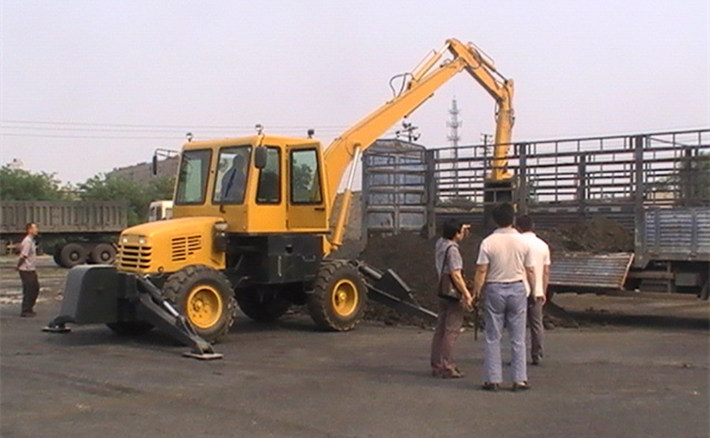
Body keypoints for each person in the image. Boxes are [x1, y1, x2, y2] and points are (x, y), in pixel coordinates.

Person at [471, 203, 535, 391]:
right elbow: (530, 269)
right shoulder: (523, 242)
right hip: (517, 288)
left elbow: (482, 270)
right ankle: (519, 379)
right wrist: (534, 290)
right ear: (513, 219)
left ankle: (493, 379)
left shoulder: (488, 242)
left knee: (492, 336)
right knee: (518, 337)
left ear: (494, 220)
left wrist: (476, 291)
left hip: (494, 288)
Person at [430, 219, 474, 379]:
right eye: (461, 231)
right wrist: (466, 294)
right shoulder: (453, 250)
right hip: (452, 293)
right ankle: (447, 366)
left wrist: (461, 228)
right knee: (451, 330)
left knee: (440, 330)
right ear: (456, 234)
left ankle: (436, 364)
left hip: (442, 289)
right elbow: (456, 274)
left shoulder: (440, 243)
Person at [517, 214, 551, 366]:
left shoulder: (517, 243)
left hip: (518, 289)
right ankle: (537, 355)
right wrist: (542, 291)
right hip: (537, 291)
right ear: (533, 226)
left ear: (518, 227)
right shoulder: (543, 245)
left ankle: (519, 356)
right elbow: (545, 271)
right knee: (537, 325)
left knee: (517, 325)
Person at [16, 222, 40, 317]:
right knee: (29, 290)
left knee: (35, 288)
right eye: (35, 228)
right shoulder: (27, 241)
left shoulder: (31, 241)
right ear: (29, 230)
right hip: (26, 270)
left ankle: (30, 308)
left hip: (31, 269)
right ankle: (25, 310)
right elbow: (23, 256)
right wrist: (18, 266)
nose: (36, 230)